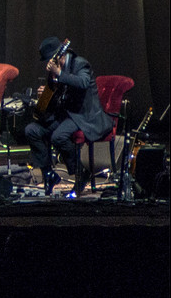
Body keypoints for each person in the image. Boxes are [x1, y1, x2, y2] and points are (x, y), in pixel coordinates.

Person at [24, 37, 111, 197]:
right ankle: (48, 174)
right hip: (65, 114)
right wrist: (47, 93)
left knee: (59, 136)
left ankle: (80, 172)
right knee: (32, 130)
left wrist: (59, 73)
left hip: (83, 115)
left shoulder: (80, 64)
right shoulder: (55, 70)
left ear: (58, 56)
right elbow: (57, 96)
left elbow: (83, 82)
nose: (48, 64)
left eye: (49, 60)